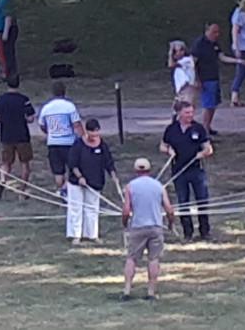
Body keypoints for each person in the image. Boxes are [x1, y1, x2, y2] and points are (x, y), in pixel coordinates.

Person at [121, 158, 175, 301]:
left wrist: (125, 224)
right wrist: (170, 223)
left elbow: (126, 210)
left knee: (131, 258)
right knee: (153, 259)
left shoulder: (130, 186)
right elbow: (169, 209)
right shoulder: (158, 186)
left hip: (137, 227)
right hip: (155, 227)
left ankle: (127, 290)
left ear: (136, 171)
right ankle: (151, 292)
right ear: (149, 170)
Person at [160, 101, 214, 240]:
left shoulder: (198, 128)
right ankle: (188, 233)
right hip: (179, 171)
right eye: (187, 112)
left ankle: (204, 232)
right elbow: (162, 146)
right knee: (183, 202)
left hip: (196, 171)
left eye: (191, 112)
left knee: (202, 200)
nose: (190, 115)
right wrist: (169, 150)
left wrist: (202, 154)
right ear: (179, 113)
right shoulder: (171, 129)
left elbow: (208, 149)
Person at [66, 118, 117, 245]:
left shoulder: (102, 145)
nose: (94, 137)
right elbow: (72, 164)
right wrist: (80, 177)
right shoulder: (78, 145)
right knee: (76, 208)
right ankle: (76, 235)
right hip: (77, 182)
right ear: (86, 132)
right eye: (91, 134)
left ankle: (92, 234)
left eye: (96, 134)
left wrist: (113, 175)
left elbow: (108, 162)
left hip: (95, 181)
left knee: (92, 208)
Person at [190, 22, 242, 135]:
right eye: (214, 32)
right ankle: (204, 129)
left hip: (214, 76)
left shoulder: (214, 44)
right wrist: (195, 79)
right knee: (208, 104)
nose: (216, 34)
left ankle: (208, 126)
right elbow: (192, 63)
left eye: (218, 32)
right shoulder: (199, 44)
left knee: (213, 104)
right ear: (207, 30)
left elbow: (221, 57)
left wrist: (237, 61)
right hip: (204, 77)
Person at [0, 77, 35, 199]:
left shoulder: (0, 100)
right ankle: (23, 190)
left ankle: (2, 181)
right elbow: (31, 118)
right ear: (19, 84)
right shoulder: (24, 100)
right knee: (24, 163)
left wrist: (2, 120)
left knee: (6, 162)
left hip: (6, 134)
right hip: (22, 135)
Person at [39, 81, 83, 194]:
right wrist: (83, 137)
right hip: (68, 142)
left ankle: (61, 190)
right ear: (64, 92)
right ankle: (67, 188)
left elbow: (42, 124)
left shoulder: (46, 108)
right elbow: (76, 124)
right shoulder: (69, 106)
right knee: (72, 167)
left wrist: (49, 132)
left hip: (53, 143)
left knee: (58, 171)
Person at [169, 40, 198, 111]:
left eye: (181, 50)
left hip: (187, 88)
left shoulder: (186, 60)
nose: (178, 53)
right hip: (183, 89)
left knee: (185, 109)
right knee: (178, 109)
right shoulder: (183, 62)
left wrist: (170, 53)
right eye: (175, 51)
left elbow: (170, 65)